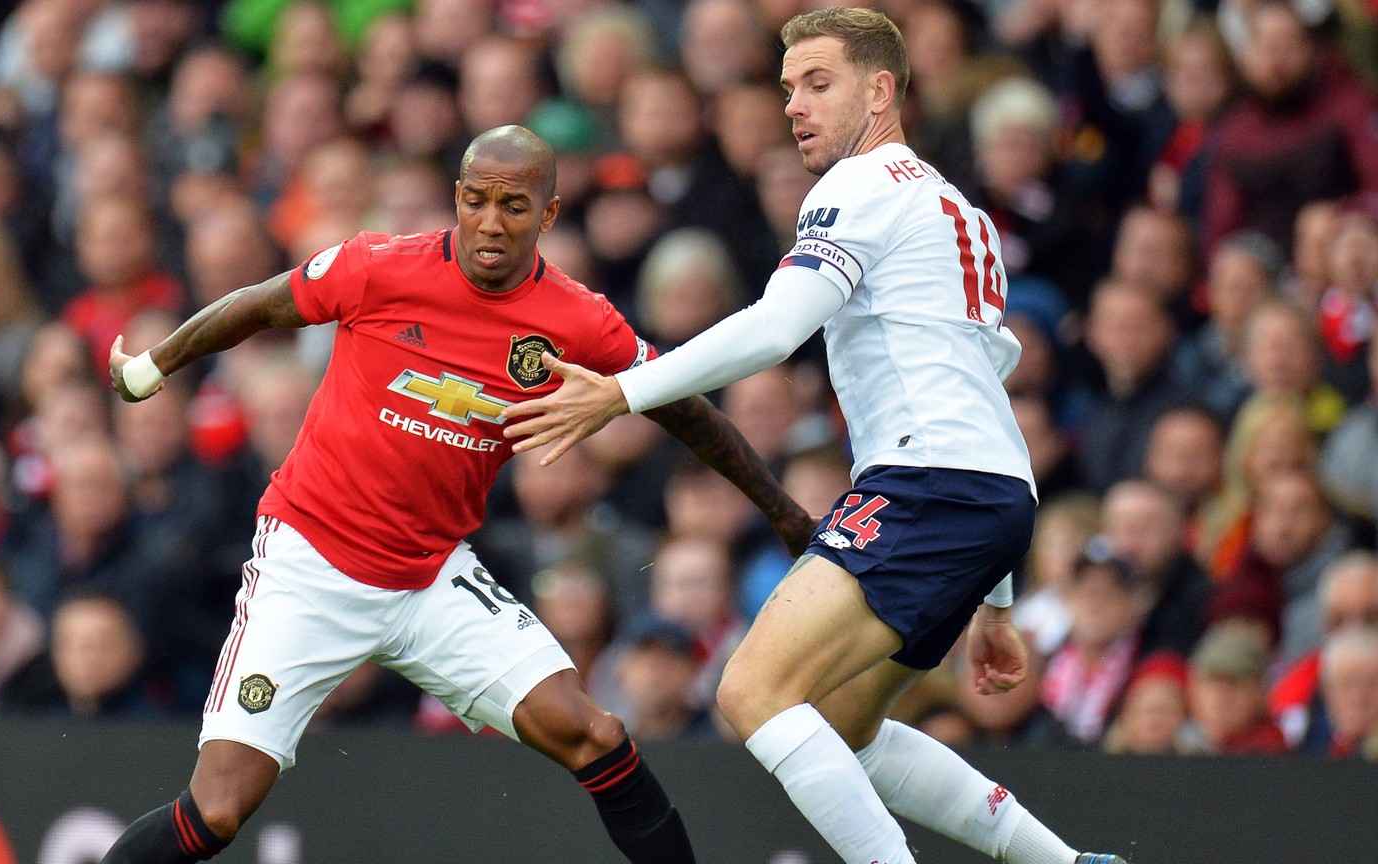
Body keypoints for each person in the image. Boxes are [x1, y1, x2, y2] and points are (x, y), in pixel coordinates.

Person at [503, 8, 1125, 864]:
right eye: (789, 86)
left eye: (819, 84)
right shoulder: (960, 213)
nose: (795, 105)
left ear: (880, 91)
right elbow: (984, 400)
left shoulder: (859, 187)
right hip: (989, 496)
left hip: (926, 483)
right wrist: (996, 598)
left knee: (755, 689)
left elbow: (773, 330)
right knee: (841, 728)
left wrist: (620, 392)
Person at [98, 125, 813, 864]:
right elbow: (257, 305)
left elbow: (686, 408)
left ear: (549, 215)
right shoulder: (377, 266)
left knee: (594, 733)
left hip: (430, 576)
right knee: (217, 811)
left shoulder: (577, 321)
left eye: (513, 205)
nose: (491, 223)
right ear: (456, 200)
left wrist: (785, 513)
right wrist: (149, 369)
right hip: (310, 565)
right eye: (475, 201)